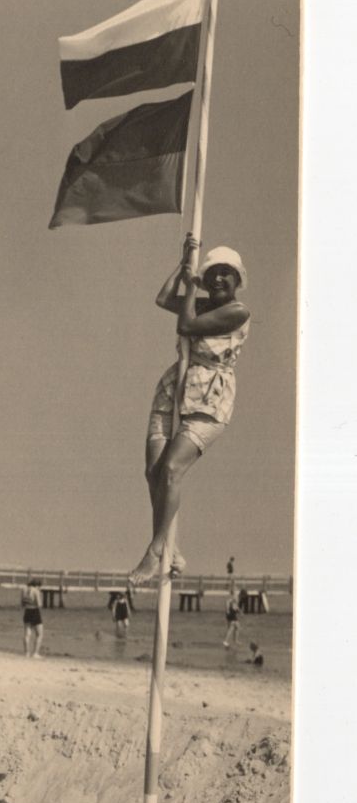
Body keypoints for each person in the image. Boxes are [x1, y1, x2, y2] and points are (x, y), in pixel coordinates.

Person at [129, 241, 250, 585]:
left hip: (209, 398)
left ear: (237, 280)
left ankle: (154, 551)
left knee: (171, 469)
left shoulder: (237, 312)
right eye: (212, 273)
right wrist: (183, 267)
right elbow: (163, 299)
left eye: (225, 273)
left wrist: (191, 285)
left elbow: (185, 327)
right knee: (153, 471)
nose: (218, 279)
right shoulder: (200, 305)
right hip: (175, 386)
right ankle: (172, 548)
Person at [20, 578, 43, 658]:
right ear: (37, 585)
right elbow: (39, 604)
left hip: (27, 611)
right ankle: (35, 653)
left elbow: (22, 604)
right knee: (39, 634)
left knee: (27, 634)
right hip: (35, 612)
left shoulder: (24, 590)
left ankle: (26, 653)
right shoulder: (36, 591)